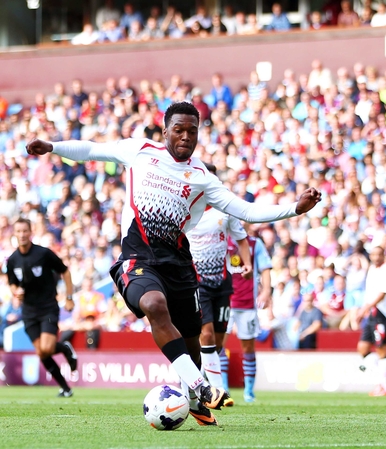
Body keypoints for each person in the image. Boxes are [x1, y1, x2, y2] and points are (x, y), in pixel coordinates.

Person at [26, 101, 321, 426]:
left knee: (192, 344)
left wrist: (295, 207)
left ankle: (195, 402)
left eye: (192, 131)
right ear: (165, 130)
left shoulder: (202, 178)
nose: (185, 136)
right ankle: (200, 386)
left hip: (179, 266)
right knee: (153, 304)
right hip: (137, 259)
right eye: (178, 129)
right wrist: (52, 147)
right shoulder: (140, 151)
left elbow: (246, 211)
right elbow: (93, 150)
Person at [186, 163, 252, 408]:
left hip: (222, 282)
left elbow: (242, 240)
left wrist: (247, 264)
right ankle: (217, 390)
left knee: (218, 342)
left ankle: (198, 382)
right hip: (197, 282)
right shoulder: (188, 210)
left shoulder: (226, 210)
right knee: (206, 334)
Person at [6, 218, 78, 397]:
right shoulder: (12, 260)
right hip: (29, 312)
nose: (22, 235)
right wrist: (16, 292)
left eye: (25, 231)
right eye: (18, 231)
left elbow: (65, 271)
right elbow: (12, 284)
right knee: (41, 352)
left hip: (47, 307)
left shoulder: (43, 254)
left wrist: (69, 297)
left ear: (31, 233)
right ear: (14, 234)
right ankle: (66, 388)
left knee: (46, 348)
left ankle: (65, 348)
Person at [222, 227, 272, 403]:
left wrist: (266, 291)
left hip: (247, 303)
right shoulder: (221, 239)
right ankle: (223, 389)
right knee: (218, 345)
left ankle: (249, 392)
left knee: (248, 348)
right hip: (224, 300)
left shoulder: (255, 244)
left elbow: (265, 268)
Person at [356, 245, 386, 397]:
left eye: (378, 254)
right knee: (362, 347)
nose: (375, 257)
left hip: (382, 314)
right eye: (373, 254)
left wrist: (364, 308)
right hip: (371, 314)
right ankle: (384, 376)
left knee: (381, 349)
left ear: (383, 255)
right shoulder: (372, 269)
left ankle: (385, 387)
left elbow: (382, 294)